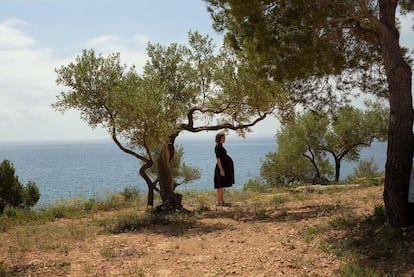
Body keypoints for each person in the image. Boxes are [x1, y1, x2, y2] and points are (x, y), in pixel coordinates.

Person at [214, 132, 234, 206]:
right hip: (220, 168)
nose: (224, 139)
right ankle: (218, 202)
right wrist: (221, 170)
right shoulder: (217, 147)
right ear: (220, 138)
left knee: (222, 185)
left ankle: (221, 201)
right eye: (223, 138)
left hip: (223, 167)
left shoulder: (220, 146)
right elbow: (218, 159)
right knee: (219, 185)